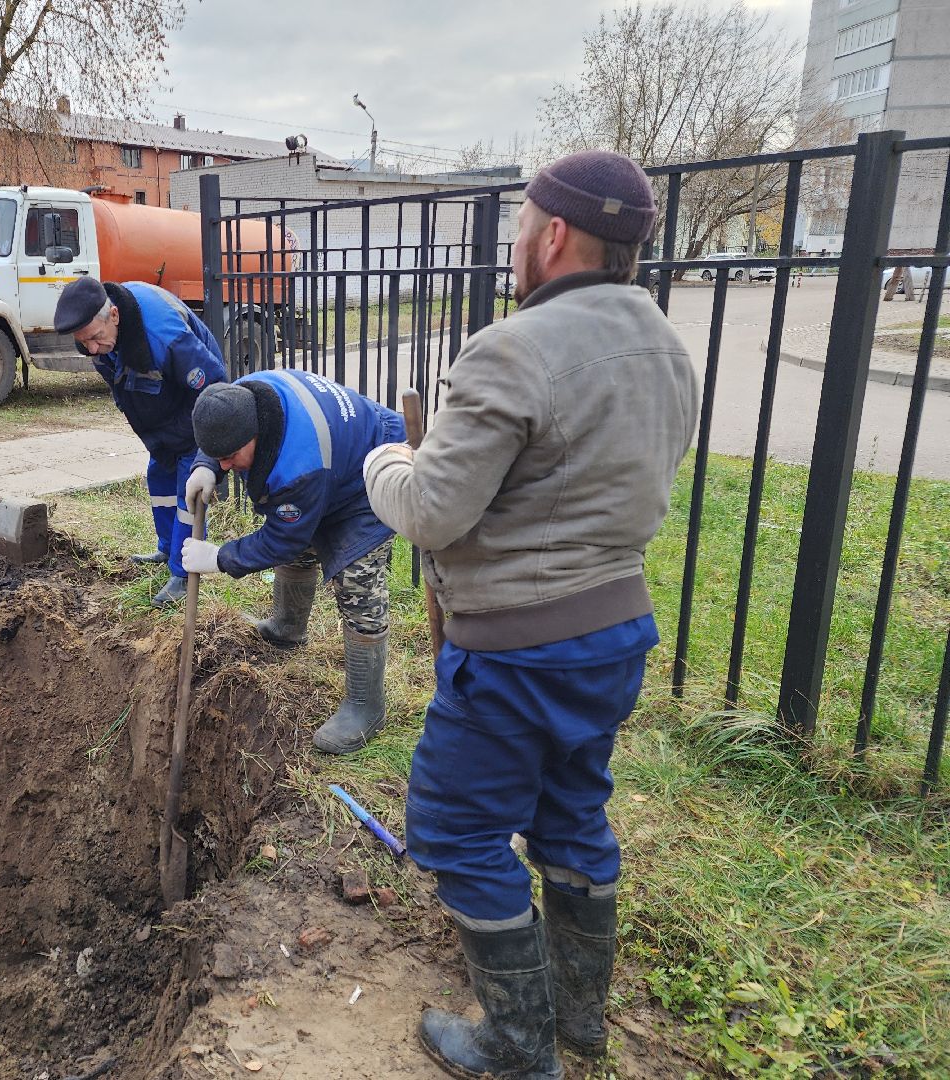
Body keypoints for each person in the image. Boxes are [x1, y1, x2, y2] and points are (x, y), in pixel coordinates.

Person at [363, 151, 699, 1078]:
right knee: (571, 815)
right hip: (614, 637)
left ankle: (517, 1047)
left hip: (518, 651)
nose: (515, 242)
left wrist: (385, 463)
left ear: (553, 236)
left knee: (455, 830)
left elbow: (432, 511)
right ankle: (580, 1022)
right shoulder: (667, 347)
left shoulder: (514, 347)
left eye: (519, 226)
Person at [180, 369, 405, 754]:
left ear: (253, 434)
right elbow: (222, 432)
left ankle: (366, 707)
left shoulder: (299, 464)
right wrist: (206, 465)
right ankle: (287, 629)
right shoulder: (242, 398)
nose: (227, 466)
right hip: (336, 456)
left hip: (372, 470)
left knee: (357, 583)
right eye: (221, 458)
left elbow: (282, 540)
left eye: (230, 457)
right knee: (301, 543)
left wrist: (220, 557)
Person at [54, 275, 227, 607]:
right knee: (159, 478)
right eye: (83, 342)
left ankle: (183, 573)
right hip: (160, 413)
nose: (92, 349)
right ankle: (167, 549)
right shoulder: (98, 336)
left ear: (114, 315)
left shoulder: (166, 337)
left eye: (95, 338)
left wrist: (202, 442)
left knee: (187, 494)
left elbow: (214, 386)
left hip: (192, 410)